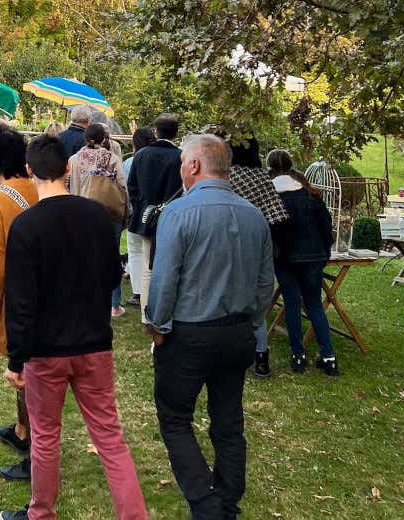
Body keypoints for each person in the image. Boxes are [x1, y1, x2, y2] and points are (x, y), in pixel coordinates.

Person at [0, 134, 148, 520]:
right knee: (110, 439)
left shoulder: (28, 226)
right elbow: (114, 276)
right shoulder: (96, 216)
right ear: (68, 167)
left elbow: (20, 301)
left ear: (31, 171)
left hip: (48, 352)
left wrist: (16, 359)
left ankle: (41, 513)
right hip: (93, 345)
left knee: (46, 437)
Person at [145, 134, 274, 520]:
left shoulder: (179, 212)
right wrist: (252, 321)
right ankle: (227, 503)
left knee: (175, 418)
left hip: (189, 334)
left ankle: (207, 505)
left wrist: (158, 324)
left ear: (195, 165)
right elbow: (265, 283)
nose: (181, 168)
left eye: (183, 161)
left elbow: (165, 278)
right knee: (229, 422)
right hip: (236, 333)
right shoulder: (254, 214)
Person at [0, 127, 40, 482]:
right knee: (27, 371)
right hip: (42, 295)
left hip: (15, 300)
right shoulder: (36, 188)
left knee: (23, 374)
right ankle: (20, 430)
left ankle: (32, 451)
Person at [267, 149, 339, 376]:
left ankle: (298, 355)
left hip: (285, 257)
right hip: (313, 256)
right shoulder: (311, 195)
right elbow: (327, 228)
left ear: (269, 169)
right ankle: (329, 356)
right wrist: (324, 252)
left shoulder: (272, 196)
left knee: (292, 303)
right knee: (314, 304)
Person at [224, 136, 290, 377]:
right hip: (264, 242)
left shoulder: (229, 176)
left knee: (231, 299)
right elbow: (277, 214)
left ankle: (233, 351)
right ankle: (262, 356)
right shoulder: (262, 176)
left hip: (235, 243)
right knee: (258, 302)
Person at [125, 113, 183, 324]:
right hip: (174, 217)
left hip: (147, 217)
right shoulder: (181, 156)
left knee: (148, 267)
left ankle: (146, 315)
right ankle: (170, 312)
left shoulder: (141, 155)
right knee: (173, 265)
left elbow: (132, 187)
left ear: (156, 132)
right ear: (176, 133)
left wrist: (142, 207)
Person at [69, 123, 128, 318]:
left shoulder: (74, 160)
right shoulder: (112, 158)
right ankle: (114, 304)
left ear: (85, 138)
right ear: (104, 138)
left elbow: (67, 186)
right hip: (109, 213)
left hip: (80, 212)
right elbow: (122, 186)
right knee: (111, 256)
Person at [122, 127, 156, 307]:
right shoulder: (160, 159)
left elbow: (125, 188)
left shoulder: (129, 162)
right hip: (156, 213)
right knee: (150, 253)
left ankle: (138, 291)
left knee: (135, 251)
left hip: (136, 212)